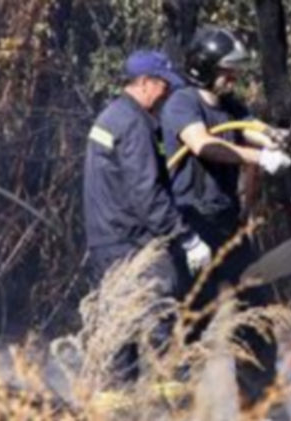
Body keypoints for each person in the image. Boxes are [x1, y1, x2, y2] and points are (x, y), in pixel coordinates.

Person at [160, 25, 291, 407]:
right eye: (229, 70)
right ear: (205, 68)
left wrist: (285, 138)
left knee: (257, 318)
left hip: (229, 229)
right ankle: (179, 409)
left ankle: (261, 406)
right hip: (193, 230)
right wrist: (259, 158)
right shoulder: (183, 103)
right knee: (190, 326)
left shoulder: (231, 105)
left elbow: (255, 130)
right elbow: (202, 144)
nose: (235, 77)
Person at [82, 49, 212, 385]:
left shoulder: (112, 116)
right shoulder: (134, 124)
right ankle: (176, 407)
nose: (167, 92)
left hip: (109, 243)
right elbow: (147, 194)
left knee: (120, 336)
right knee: (163, 333)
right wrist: (187, 237)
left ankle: (117, 408)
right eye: (163, 85)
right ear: (143, 83)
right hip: (133, 246)